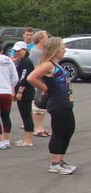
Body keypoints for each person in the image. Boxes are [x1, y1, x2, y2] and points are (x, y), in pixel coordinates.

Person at [27, 36, 76, 174]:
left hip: (66, 102)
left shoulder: (57, 63)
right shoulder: (48, 64)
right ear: (55, 50)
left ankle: (61, 160)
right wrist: (45, 88)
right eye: (62, 48)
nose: (64, 50)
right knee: (59, 131)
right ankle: (55, 163)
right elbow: (31, 77)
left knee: (69, 129)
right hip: (57, 103)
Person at [11, 41, 35, 146]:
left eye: (19, 51)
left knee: (26, 115)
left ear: (25, 50)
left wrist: (19, 92)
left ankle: (28, 139)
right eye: (15, 51)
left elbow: (24, 78)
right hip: (22, 91)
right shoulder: (21, 61)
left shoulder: (26, 62)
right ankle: (25, 137)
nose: (17, 53)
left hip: (26, 92)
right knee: (24, 115)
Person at [28, 30, 50, 138]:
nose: (48, 38)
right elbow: (36, 68)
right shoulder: (35, 51)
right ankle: (37, 128)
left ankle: (40, 127)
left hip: (44, 81)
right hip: (38, 82)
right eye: (46, 36)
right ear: (40, 39)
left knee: (42, 105)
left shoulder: (43, 51)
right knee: (38, 104)